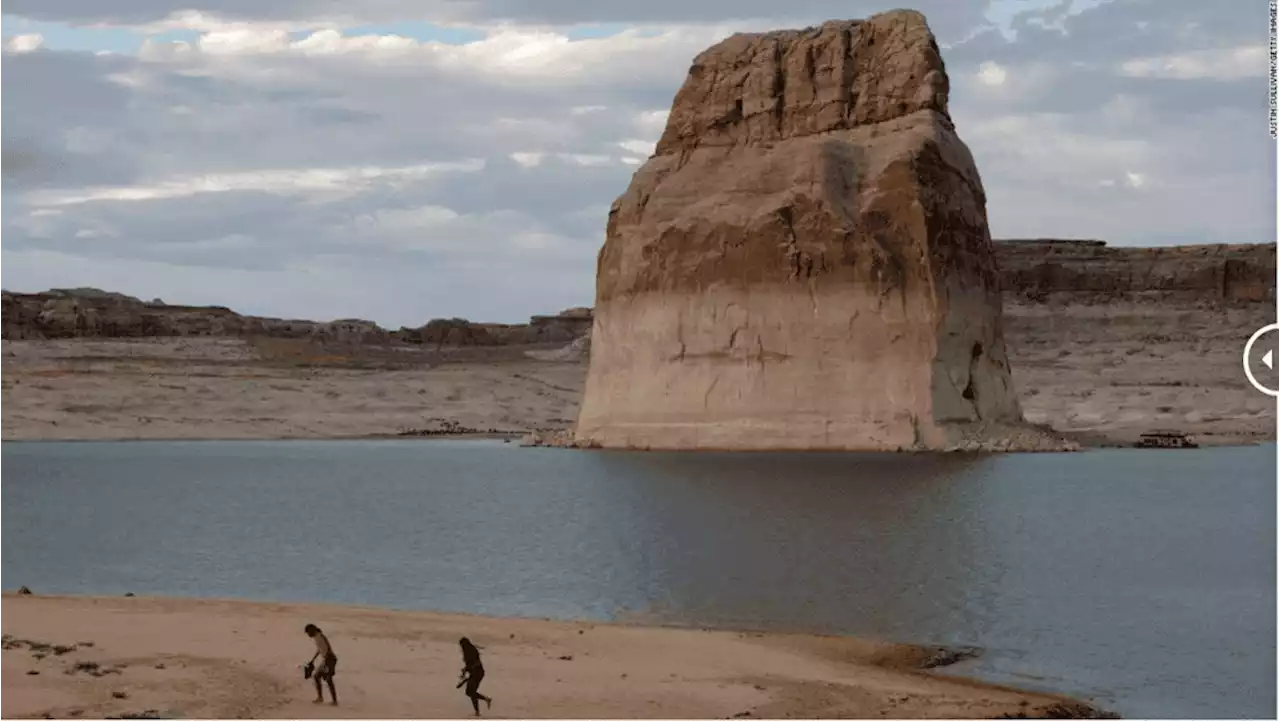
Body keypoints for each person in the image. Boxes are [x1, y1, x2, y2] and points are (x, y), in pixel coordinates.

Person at [457, 637, 492, 716]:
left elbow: (476, 662)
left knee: (470, 692)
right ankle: (484, 702)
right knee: (470, 692)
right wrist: (465, 671)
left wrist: (469, 668)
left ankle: (479, 709)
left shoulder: (471, 651)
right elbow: (469, 664)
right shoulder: (467, 651)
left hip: (478, 673)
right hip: (474, 673)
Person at [304, 623, 338, 705]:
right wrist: (313, 660)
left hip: (329, 660)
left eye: (308, 632)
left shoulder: (319, 637)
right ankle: (329, 699)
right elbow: (320, 649)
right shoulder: (318, 636)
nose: (308, 635)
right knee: (322, 678)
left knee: (325, 678)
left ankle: (328, 699)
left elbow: (326, 650)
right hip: (329, 659)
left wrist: (325, 664)